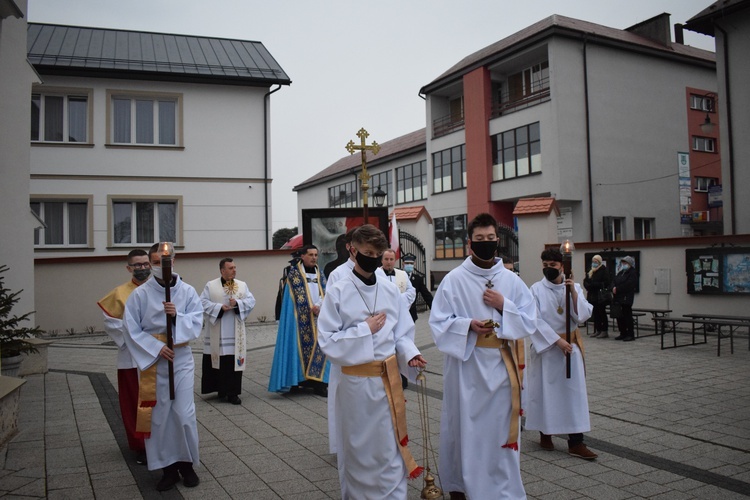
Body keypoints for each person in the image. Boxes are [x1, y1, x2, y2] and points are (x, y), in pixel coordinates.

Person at [429, 212, 537, 500]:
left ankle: (502, 489)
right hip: (467, 367)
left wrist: (504, 305)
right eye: (480, 240)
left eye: (491, 239)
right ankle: (463, 487)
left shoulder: (511, 281)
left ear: (498, 241)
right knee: (467, 431)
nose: (486, 243)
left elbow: (530, 321)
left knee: (499, 431)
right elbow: (438, 323)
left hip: (502, 367)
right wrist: (466, 326)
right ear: (470, 243)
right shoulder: (454, 280)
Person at [317, 224, 427, 499]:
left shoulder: (391, 291)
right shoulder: (338, 291)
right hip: (355, 383)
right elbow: (328, 341)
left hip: (388, 382)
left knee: (390, 446)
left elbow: (400, 333)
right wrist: (364, 329)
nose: (373, 258)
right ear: (353, 251)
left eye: (378, 253)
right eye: (367, 252)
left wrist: (410, 353)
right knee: (360, 449)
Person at [123, 243, 203, 491]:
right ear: (150, 263)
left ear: (174, 262)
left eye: (163, 262)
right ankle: (168, 468)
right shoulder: (140, 294)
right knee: (160, 416)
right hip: (154, 361)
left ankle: (187, 464)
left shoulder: (187, 291)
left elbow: (197, 319)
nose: (159, 267)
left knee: (183, 412)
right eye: (155, 262)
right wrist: (156, 347)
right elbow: (130, 328)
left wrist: (177, 316)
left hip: (180, 357)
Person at [526, 248, 597, 460]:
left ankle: (576, 441)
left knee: (572, 395)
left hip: (571, 347)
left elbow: (582, 315)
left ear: (562, 267)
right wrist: (557, 341)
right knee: (545, 393)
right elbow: (534, 320)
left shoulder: (573, 287)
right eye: (545, 266)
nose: (548, 269)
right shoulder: (536, 289)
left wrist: (573, 293)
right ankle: (545, 433)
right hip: (548, 348)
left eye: (553, 266)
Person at [96, 249, 150, 466]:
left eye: (145, 263)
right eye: (137, 265)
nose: (142, 268)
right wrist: (139, 335)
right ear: (129, 268)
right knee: (134, 402)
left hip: (158, 357)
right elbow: (111, 322)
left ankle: (161, 442)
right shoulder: (119, 294)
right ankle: (140, 446)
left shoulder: (160, 290)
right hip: (131, 359)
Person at [268, 244, 330, 396]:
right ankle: (296, 381)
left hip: (318, 319)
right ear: (302, 256)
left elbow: (327, 293)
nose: (314, 258)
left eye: (316, 255)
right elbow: (289, 302)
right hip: (298, 322)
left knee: (320, 350)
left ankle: (319, 383)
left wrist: (319, 306)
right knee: (296, 348)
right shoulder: (294, 276)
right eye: (311, 255)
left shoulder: (320, 274)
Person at [200, 258, 256, 405]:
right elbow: (202, 303)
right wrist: (219, 308)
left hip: (234, 330)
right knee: (219, 361)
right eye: (230, 268)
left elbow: (251, 301)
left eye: (235, 267)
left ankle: (233, 393)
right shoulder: (211, 286)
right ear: (222, 270)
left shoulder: (242, 286)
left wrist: (237, 303)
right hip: (217, 329)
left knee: (232, 361)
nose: (234, 270)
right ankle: (220, 389)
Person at [583, 254, 611, 338]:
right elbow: (586, 281)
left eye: (595, 262)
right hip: (592, 295)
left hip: (600, 296)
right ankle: (597, 330)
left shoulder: (603, 270)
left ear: (599, 262)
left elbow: (606, 283)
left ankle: (604, 330)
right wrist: (587, 285)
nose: (594, 263)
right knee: (595, 314)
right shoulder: (591, 271)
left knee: (602, 313)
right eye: (593, 262)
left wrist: (594, 284)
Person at [612, 255, 638, 342]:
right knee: (620, 316)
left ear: (630, 264)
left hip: (626, 298)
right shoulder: (621, 272)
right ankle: (622, 332)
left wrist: (618, 288)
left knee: (627, 316)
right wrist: (613, 287)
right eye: (623, 263)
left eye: (625, 263)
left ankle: (630, 334)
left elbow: (629, 284)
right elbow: (614, 281)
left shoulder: (632, 273)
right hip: (618, 298)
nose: (624, 264)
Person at [402, 253, 433, 322]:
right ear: (403, 264)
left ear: (414, 264)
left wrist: (435, 309)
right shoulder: (398, 276)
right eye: (407, 263)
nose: (409, 265)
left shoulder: (417, 279)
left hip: (411, 314)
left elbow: (426, 295)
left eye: (411, 263)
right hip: (399, 312)